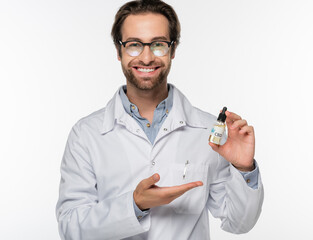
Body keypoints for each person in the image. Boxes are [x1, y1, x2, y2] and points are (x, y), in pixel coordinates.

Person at [56, 0, 264, 239]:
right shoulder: (86, 134)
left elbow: (239, 223)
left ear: (173, 50)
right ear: (118, 50)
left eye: (158, 44)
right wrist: (134, 204)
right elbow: (71, 228)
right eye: (134, 45)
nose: (146, 58)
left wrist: (244, 168)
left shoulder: (208, 130)